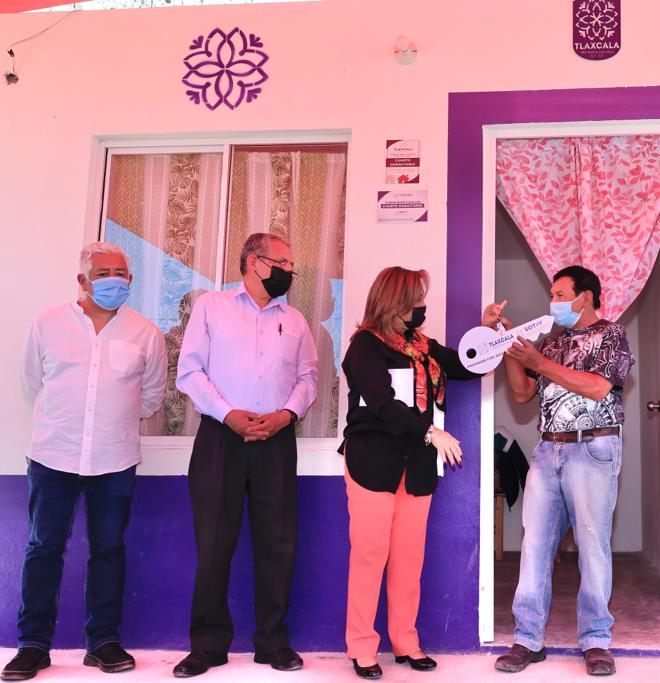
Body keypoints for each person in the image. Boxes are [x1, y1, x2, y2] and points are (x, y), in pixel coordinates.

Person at [2, 243, 166, 681]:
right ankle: (32, 646)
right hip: (53, 455)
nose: (114, 280)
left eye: (121, 273)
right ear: (82, 280)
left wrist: (111, 422)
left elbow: (151, 397)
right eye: (103, 272)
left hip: (115, 459)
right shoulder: (48, 324)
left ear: (131, 280)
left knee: (108, 549)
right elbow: (32, 384)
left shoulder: (146, 334)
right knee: (43, 548)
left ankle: (103, 642)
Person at [172, 233, 318, 678]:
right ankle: (207, 645)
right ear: (254, 262)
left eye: (292, 266)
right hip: (221, 437)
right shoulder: (211, 307)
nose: (290, 272)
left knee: (278, 542)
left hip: (276, 439)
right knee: (213, 543)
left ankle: (273, 643)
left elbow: (309, 377)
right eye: (283, 263)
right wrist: (227, 414)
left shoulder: (295, 320)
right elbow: (189, 371)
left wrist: (286, 415)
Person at [489, 265, 634, 677]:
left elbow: (597, 388)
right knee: (535, 545)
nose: (553, 302)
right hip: (547, 450)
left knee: (592, 546)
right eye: (551, 294)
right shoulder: (551, 342)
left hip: (594, 448)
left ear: (585, 297)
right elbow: (522, 393)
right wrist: (511, 349)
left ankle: (596, 641)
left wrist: (537, 360)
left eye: (560, 294)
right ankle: (527, 639)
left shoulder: (613, 335)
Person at [341, 266, 479, 680]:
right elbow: (382, 404)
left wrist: (492, 335)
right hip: (373, 463)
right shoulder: (365, 346)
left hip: (415, 466)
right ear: (395, 302)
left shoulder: (423, 346)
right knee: (369, 556)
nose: (422, 306)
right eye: (416, 299)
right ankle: (361, 646)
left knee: (407, 558)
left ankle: (405, 640)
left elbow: (467, 366)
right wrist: (432, 432)